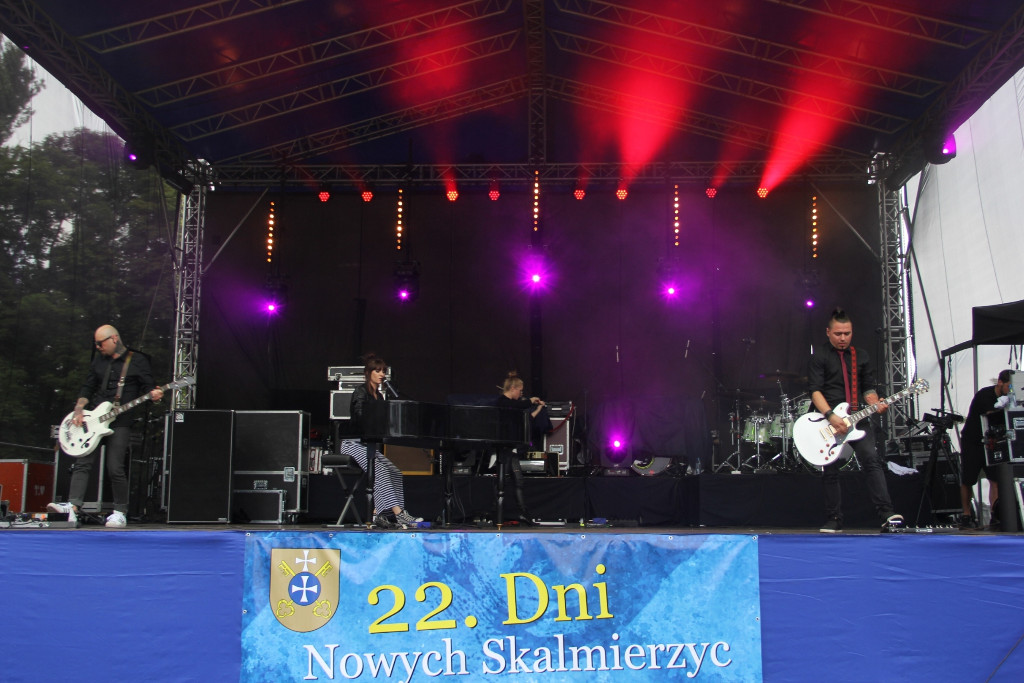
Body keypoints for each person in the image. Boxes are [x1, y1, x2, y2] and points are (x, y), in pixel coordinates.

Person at [48, 325, 164, 528]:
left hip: (121, 421)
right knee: (82, 462)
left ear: (114, 339)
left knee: (115, 467)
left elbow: (149, 388)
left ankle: (120, 511)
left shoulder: (137, 360)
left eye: (100, 343)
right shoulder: (98, 361)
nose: (98, 347)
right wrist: (79, 409)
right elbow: (88, 387)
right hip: (94, 419)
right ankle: (73, 507)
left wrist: (156, 395)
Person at [807, 308, 903, 533]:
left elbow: (867, 387)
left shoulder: (861, 356)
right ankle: (834, 518)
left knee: (871, 459)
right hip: (828, 418)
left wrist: (875, 403)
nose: (843, 338)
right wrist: (830, 416)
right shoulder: (819, 356)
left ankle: (887, 514)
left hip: (857, 417)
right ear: (828, 332)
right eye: (838, 334)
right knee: (830, 469)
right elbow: (815, 391)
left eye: (847, 333)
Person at [340, 353, 421, 529]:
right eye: (378, 371)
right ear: (368, 373)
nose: (382, 374)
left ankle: (378, 513)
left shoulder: (380, 396)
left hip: (368, 445)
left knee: (395, 472)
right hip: (352, 444)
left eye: (383, 371)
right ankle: (399, 514)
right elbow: (359, 416)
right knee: (381, 472)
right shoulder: (360, 392)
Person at [494, 371, 552, 525]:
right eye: (520, 390)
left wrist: (538, 409)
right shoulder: (502, 402)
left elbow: (526, 418)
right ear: (513, 388)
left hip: (512, 449)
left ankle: (522, 513)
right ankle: (498, 514)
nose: (521, 394)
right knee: (502, 482)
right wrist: (530, 401)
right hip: (504, 449)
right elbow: (517, 405)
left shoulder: (513, 405)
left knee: (518, 481)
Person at [958, 370, 1012, 528]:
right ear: (1000, 383)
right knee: (968, 479)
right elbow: (990, 414)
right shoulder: (985, 395)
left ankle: (995, 514)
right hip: (973, 441)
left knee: (995, 479)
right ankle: (966, 514)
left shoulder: (1008, 397)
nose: (1010, 390)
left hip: (991, 442)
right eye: (1008, 386)